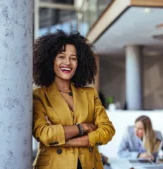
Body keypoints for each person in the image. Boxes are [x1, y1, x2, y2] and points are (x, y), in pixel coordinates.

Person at [32, 30, 115, 169]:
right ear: (50, 60)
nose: (67, 62)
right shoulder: (39, 95)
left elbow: (107, 131)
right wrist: (83, 127)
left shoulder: (89, 93)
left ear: (79, 63)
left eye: (73, 58)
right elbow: (45, 134)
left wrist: (67, 141)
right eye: (61, 56)